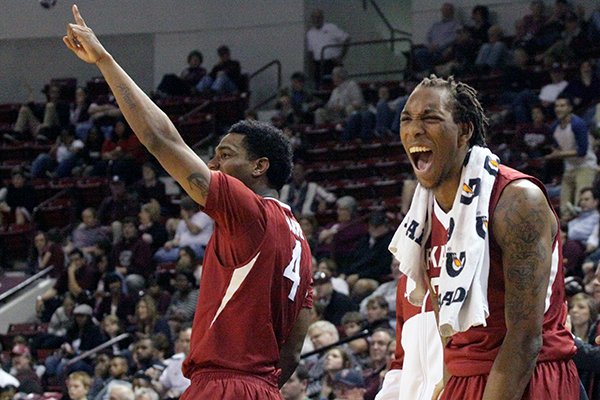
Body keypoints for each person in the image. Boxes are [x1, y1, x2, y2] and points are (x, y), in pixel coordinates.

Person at [64, 7, 313, 399]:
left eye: (225, 154)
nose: (213, 163)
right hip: (264, 389)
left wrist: (105, 61)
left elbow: (160, 138)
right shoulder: (301, 243)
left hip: (222, 383)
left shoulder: (250, 211)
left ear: (259, 167)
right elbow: (294, 349)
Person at [389, 74, 579, 399]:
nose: (414, 130)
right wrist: (448, 378)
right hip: (466, 375)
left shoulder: (517, 200)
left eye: (430, 118)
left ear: (464, 130)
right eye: (407, 119)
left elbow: (524, 339)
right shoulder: (423, 211)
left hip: (528, 376)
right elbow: (445, 312)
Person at [545, 95, 597, 221]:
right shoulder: (553, 128)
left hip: (585, 166)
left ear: (570, 108)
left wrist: (559, 154)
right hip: (569, 167)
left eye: (562, 105)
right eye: (557, 106)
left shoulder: (578, 124)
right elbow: (556, 145)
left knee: (581, 203)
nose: (558, 109)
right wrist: (556, 152)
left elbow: (582, 151)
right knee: (565, 207)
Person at [305, 9, 350, 85]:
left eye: (318, 17)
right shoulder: (310, 33)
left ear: (322, 18)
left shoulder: (331, 27)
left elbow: (347, 38)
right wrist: (310, 71)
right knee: (320, 87)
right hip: (318, 65)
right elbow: (310, 52)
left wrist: (341, 56)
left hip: (332, 63)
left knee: (335, 86)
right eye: (314, 17)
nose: (316, 20)